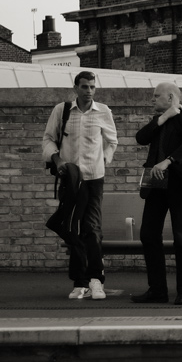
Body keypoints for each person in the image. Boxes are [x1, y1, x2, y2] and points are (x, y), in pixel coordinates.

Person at [42, 70, 119, 300]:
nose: (89, 91)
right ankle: (80, 282)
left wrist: (102, 159)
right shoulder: (62, 110)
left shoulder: (103, 111)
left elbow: (112, 141)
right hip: (71, 180)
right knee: (73, 228)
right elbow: (48, 139)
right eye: (84, 87)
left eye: (92, 87)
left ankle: (96, 280)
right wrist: (58, 161)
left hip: (94, 179)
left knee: (91, 228)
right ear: (76, 88)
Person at [131, 82, 182, 306]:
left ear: (170, 97)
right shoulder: (160, 120)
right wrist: (163, 117)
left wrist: (168, 161)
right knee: (148, 234)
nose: (152, 99)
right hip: (156, 184)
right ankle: (157, 290)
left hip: (178, 184)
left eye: (156, 96)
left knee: (181, 237)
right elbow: (141, 137)